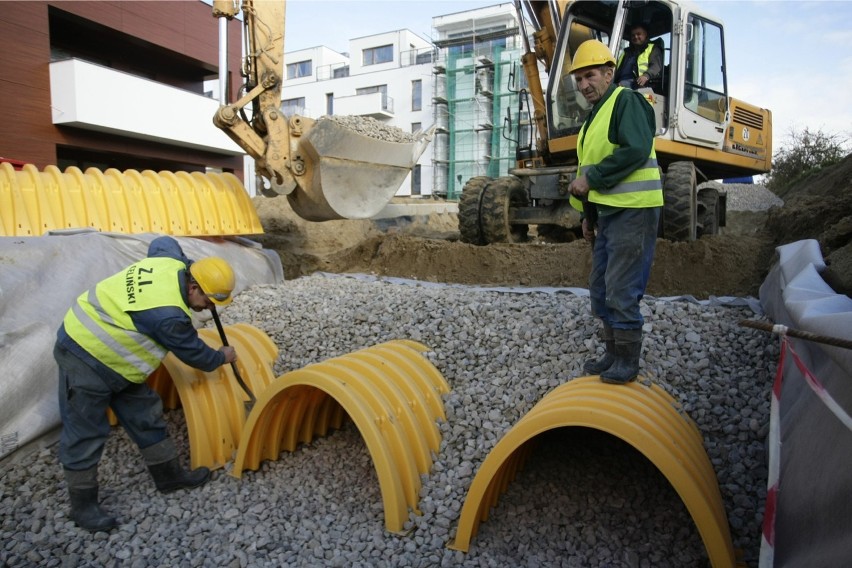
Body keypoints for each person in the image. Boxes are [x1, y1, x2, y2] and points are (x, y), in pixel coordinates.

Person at [54, 235, 238, 531]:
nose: (210, 307)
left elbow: (162, 241)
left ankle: (169, 478)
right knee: (85, 430)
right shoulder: (168, 316)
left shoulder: (170, 262)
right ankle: (83, 507)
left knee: (146, 414)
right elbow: (196, 355)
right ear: (193, 287)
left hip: (120, 364)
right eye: (209, 300)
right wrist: (221, 356)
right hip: (84, 354)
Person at [567, 39, 663, 384]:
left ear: (609, 73)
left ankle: (627, 359)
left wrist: (592, 177)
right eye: (578, 79)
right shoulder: (594, 117)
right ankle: (612, 351)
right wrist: (588, 218)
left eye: (589, 75)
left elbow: (635, 149)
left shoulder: (627, 101)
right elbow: (590, 171)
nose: (583, 85)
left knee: (621, 286)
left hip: (633, 211)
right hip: (609, 213)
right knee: (601, 286)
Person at [613, 24, 663, 91]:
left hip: (638, 83)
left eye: (638, 34)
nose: (635, 37)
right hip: (620, 81)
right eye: (633, 35)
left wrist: (646, 76)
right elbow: (616, 68)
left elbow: (656, 66)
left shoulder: (652, 49)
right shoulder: (626, 52)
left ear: (645, 34)